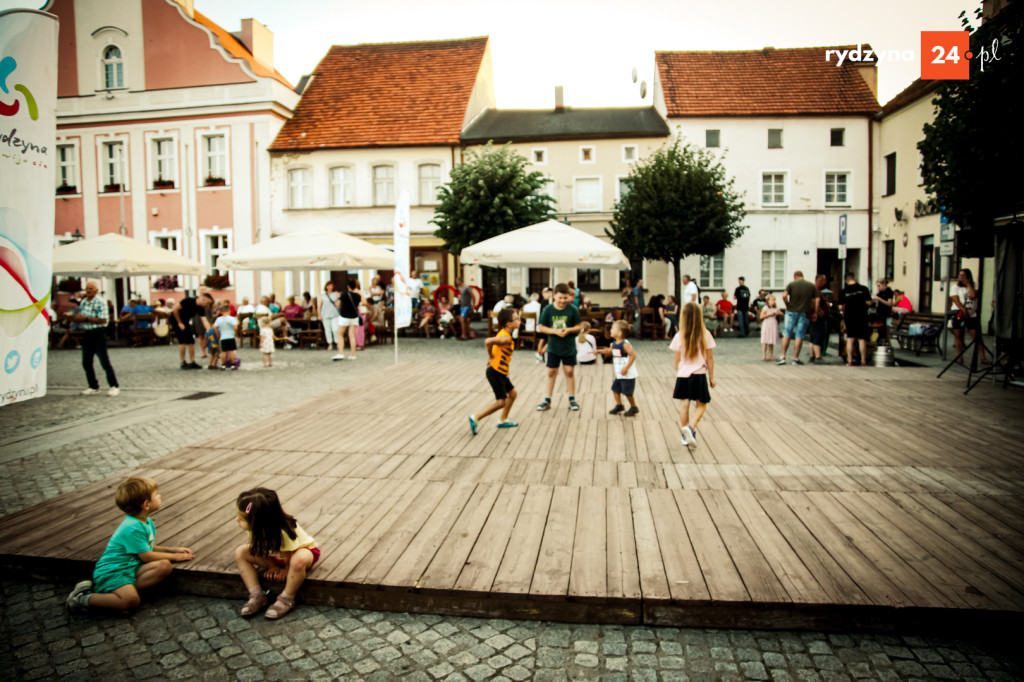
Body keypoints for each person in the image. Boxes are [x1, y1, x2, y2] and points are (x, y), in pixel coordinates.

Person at [66, 477, 194, 613]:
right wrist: (176, 557)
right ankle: (82, 598)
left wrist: (173, 550)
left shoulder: (145, 521)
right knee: (130, 602)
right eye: (156, 494)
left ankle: (117, 592)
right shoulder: (132, 527)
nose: (160, 495)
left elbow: (146, 548)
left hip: (131, 567)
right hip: (114, 570)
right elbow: (146, 556)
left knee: (164, 566)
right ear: (146, 504)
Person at [234, 488, 319, 620]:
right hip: (275, 556)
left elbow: (289, 552)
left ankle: (287, 599)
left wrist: (286, 569)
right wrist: (271, 566)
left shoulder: (285, 528)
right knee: (241, 552)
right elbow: (259, 548)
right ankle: (257, 595)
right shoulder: (253, 528)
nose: (237, 520)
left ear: (259, 520)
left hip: (298, 553)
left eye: (241, 518)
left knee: (298, 560)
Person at [670, 301, 716, 449]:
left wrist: (680, 371)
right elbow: (710, 358)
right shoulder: (705, 334)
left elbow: (677, 360)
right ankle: (690, 428)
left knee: (684, 405)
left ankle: (685, 436)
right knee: (701, 404)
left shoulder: (679, 336)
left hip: (683, 374)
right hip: (699, 374)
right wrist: (712, 377)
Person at [468, 307, 521, 434]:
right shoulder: (506, 338)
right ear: (509, 323)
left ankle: (503, 419)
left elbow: (492, 344)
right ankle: (476, 418)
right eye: (517, 319)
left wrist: (491, 355)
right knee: (501, 402)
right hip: (495, 372)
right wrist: (490, 356)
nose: (520, 320)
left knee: (512, 394)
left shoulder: (505, 334)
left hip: (500, 372)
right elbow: (488, 341)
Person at [536, 283, 583, 412]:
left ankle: (572, 399)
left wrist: (569, 330)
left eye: (565, 298)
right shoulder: (548, 310)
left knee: (569, 372)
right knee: (551, 373)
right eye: (560, 298)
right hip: (553, 347)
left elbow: (579, 326)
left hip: (568, 347)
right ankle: (547, 399)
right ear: (554, 296)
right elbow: (541, 327)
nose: (563, 301)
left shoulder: (572, 309)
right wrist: (555, 331)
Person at [74, 281, 120, 396]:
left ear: (96, 291)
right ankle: (93, 386)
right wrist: (76, 318)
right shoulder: (84, 302)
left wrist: (85, 319)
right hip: (87, 333)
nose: (88, 291)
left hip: (98, 333)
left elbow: (104, 320)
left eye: (91, 289)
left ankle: (114, 386)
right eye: (87, 289)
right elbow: (81, 317)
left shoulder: (101, 302)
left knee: (104, 361)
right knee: (86, 362)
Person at [778, 271, 819, 366]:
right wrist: (815, 312)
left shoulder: (791, 284)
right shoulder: (811, 286)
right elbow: (817, 299)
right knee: (799, 335)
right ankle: (795, 359)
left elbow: (784, 295)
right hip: (804, 312)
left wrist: (787, 304)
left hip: (791, 311)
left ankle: (783, 357)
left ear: (795, 276)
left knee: (787, 333)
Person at [950, 267, 988, 365]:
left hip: (972, 314)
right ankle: (960, 357)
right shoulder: (955, 287)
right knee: (958, 335)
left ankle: (983, 358)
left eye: (963, 275)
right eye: (959, 275)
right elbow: (955, 299)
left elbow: (974, 295)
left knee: (977, 337)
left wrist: (968, 284)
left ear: (968, 277)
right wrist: (963, 309)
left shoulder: (974, 285)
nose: (960, 277)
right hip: (959, 312)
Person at [600, 319, 639, 416]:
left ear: (620, 333)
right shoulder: (614, 343)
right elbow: (609, 351)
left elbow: (633, 356)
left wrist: (626, 368)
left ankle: (634, 407)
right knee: (615, 389)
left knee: (628, 392)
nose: (611, 330)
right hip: (619, 374)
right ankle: (619, 405)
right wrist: (596, 351)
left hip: (627, 374)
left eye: (613, 329)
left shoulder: (625, 344)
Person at [170, 291, 214, 370]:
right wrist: (179, 323)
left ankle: (192, 362)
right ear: (203, 299)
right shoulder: (188, 301)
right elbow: (175, 310)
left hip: (185, 321)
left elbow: (204, 320)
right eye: (207, 303)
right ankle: (182, 362)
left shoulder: (201, 308)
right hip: (176, 319)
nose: (207, 306)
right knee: (182, 340)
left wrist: (209, 329)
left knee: (191, 341)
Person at [839, 271, 872, 366]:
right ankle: (863, 361)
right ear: (855, 278)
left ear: (846, 280)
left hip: (850, 316)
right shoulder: (864, 289)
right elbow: (869, 303)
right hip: (862, 316)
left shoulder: (844, 291)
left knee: (850, 339)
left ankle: (849, 360)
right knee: (862, 339)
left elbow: (840, 307)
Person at [333, 279, 361, 361]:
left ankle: (341, 353)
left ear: (348, 286)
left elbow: (337, 304)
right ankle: (353, 355)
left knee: (340, 334)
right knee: (352, 335)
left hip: (344, 316)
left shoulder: (344, 294)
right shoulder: (358, 296)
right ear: (355, 286)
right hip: (354, 317)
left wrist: (338, 298)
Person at [808, 274, 831, 364]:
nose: (825, 283)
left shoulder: (815, 289)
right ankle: (818, 357)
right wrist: (818, 311)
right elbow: (814, 301)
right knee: (818, 335)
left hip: (813, 316)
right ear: (820, 281)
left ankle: (812, 356)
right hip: (817, 316)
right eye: (824, 281)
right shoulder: (815, 290)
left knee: (812, 336)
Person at [214, 305, 240, 370]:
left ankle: (223, 365)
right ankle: (233, 365)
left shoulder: (219, 319)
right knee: (231, 351)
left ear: (222, 311)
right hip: (230, 336)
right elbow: (235, 327)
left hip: (223, 337)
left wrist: (218, 334)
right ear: (229, 311)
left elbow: (214, 327)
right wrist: (235, 335)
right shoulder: (232, 318)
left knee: (223, 351)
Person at [759, 294, 782, 361]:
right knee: (765, 340)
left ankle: (771, 355)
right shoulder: (765, 308)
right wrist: (769, 314)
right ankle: (764, 355)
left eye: (774, 300)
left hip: (773, 324)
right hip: (767, 324)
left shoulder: (775, 308)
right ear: (768, 301)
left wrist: (778, 313)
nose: (773, 302)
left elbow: (781, 313)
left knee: (771, 340)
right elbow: (761, 316)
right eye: (772, 300)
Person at [320, 281, 340, 352]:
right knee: (327, 330)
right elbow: (320, 305)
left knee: (335, 329)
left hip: (334, 314)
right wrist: (319, 315)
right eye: (328, 286)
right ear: (326, 287)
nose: (330, 287)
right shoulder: (323, 295)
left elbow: (340, 301)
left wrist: (338, 303)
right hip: (325, 314)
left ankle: (337, 342)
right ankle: (330, 344)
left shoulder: (336, 294)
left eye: (331, 286)